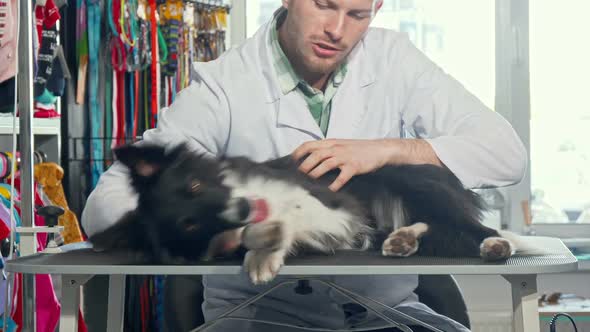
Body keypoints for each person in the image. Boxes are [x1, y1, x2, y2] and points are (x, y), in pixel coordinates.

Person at [82, 0, 527, 331]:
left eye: (358, 14)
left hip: (385, 317)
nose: (337, 29)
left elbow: (506, 153)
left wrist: (389, 150)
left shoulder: (395, 60)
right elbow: (104, 205)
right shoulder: (224, 84)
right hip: (259, 317)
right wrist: (194, 221)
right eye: (324, 5)